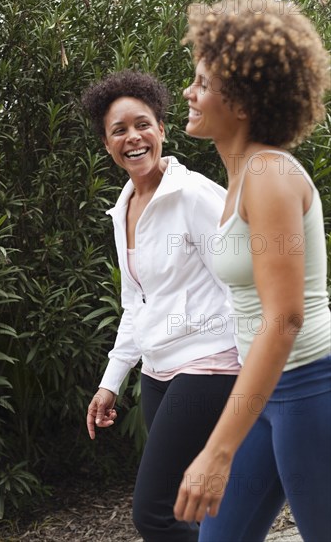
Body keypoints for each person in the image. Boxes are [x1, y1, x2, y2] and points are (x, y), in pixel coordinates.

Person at [173, 0, 331, 542]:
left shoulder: (267, 174)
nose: (189, 94)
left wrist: (217, 450)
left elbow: (283, 318)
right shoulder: (240, 179)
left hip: (313, 391)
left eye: (201, 83)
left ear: (242, 102)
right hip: (266, 395)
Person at [82, 70, 240, 542]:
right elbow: (137, 304)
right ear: (107, 145)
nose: (133, 137)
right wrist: (111, 383)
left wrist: (261, 379)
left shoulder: (193, 196)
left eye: (142, 123)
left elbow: (243, 285)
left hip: (210, 365)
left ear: (162, 130)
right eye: (118, 130)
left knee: (154, 513)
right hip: (157, 372)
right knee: (188, 510)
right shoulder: (124, 208)